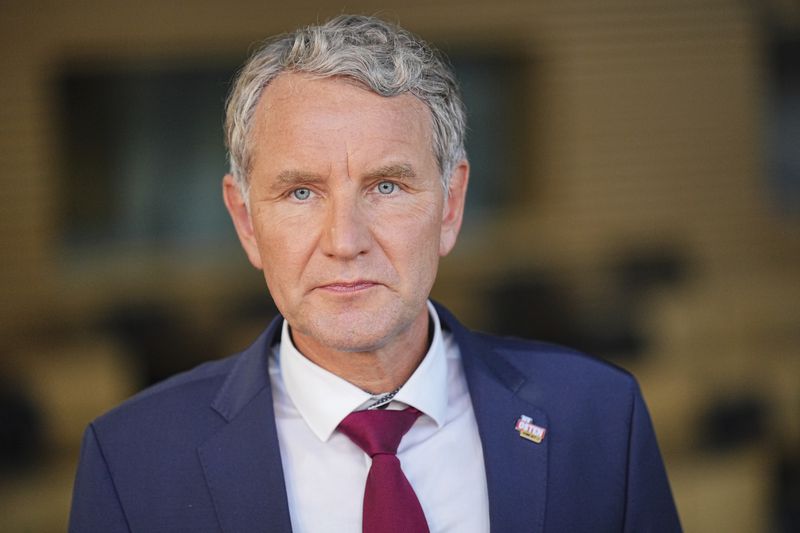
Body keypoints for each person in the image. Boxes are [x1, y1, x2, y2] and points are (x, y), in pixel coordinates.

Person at [69, 14, 681, 533]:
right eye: (301, 192)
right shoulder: (132, 461)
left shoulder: (600, 417)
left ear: (450, 204)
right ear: (246, 221)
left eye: (386, 186)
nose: (345, 242)